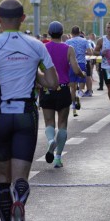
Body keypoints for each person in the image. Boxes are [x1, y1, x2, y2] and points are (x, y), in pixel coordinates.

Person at [0, 0, 58, 221]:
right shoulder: (36, 45)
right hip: (26, 114)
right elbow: (52, 83)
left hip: (1, 113)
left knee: (3, 177)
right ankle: (19, 204)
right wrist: (34, 73)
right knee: (20, 178)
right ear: (23, 19)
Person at [42, 21, 85, 168]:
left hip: (47, 88)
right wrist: (82, 75)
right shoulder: (69, 49)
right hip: (63, 88)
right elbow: (76, 68)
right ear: (62, 33)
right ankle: (58, 158)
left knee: (49, 122)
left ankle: (50, 141)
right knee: (62, 124)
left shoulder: (43, 48)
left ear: (49, 33)